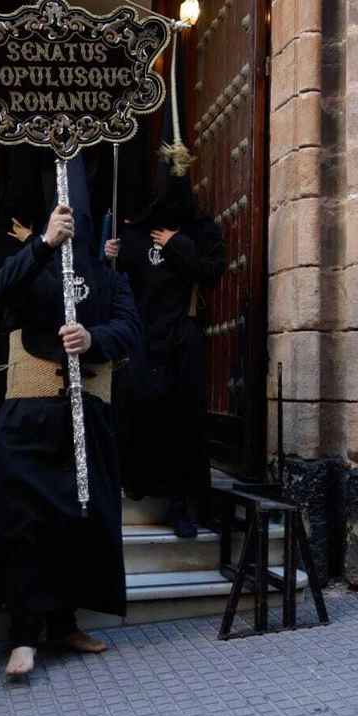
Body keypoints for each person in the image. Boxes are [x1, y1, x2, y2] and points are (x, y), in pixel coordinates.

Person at [0, 154, 141, 680]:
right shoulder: (33, 262)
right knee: (25, 524)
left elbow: (129, 329)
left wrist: (93, 339)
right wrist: (42, 245)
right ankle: (24, 635)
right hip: (30, 419)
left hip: (86, 419)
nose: (75, 231)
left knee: (79, 524)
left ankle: (64, 623)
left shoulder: (110, 280)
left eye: (79, 225)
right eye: (68, 222)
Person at [106, 152, 225, 538]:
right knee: (138, 406)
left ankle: (180, 504)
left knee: (181, 417)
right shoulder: (136, 230)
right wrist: (107, 257)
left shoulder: (200, 229)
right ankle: (137, 483)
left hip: (182, 336)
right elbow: (115, 285)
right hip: (142, 338)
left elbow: (210, 274)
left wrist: (179, 244)